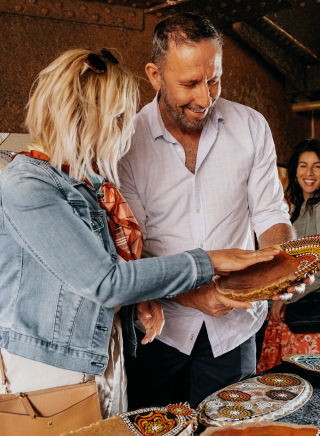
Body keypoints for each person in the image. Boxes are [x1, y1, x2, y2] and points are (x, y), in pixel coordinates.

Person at [0, 48, 278, 418]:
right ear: (80, 118)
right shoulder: (28, 185)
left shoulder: (86, 183)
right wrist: (208, 260)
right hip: (51, 368)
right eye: (117, 118)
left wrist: (135, 304)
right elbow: (104, 280)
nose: (125, 129)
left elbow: (90, 283)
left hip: (103, 353)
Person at [119, 12, 312, 410]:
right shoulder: (126, 142)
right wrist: (194, 294)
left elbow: (272, 216)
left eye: (213, 79)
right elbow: (131, 250)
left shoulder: (251, 126)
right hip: (157, 331)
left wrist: (281, 266)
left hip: (236, 329)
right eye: (190, 83)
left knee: (231, 430)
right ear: (155, 75)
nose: (206, 98)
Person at [257, 139, 320, 374]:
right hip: (298, 310)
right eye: (303, 165)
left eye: (317, 166)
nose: (309, 173)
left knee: (303, 384)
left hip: (309, 316)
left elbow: (317, 265)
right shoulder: (299, 206)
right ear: (295, 170)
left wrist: (284, 298)